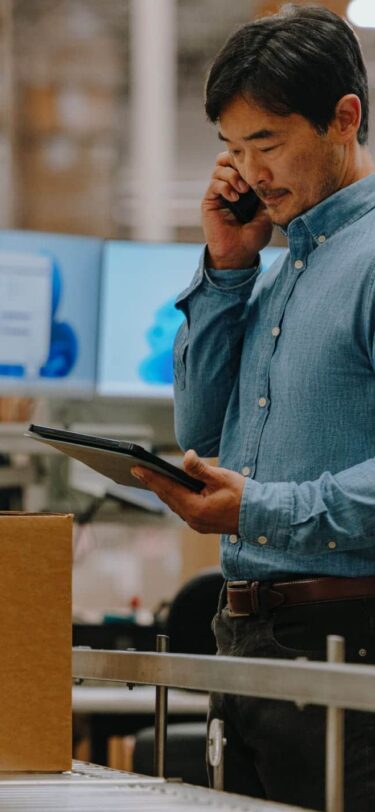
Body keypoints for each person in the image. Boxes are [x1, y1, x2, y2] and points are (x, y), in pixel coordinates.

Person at [131, 5, 375, 809]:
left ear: (344, 118)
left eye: (266, 142)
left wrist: (260, 510)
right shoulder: (281, 263)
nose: (248, 171)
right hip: (245, 639)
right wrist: (228, 268)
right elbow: (201, 431)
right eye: (232, 149)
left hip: (344, 640)